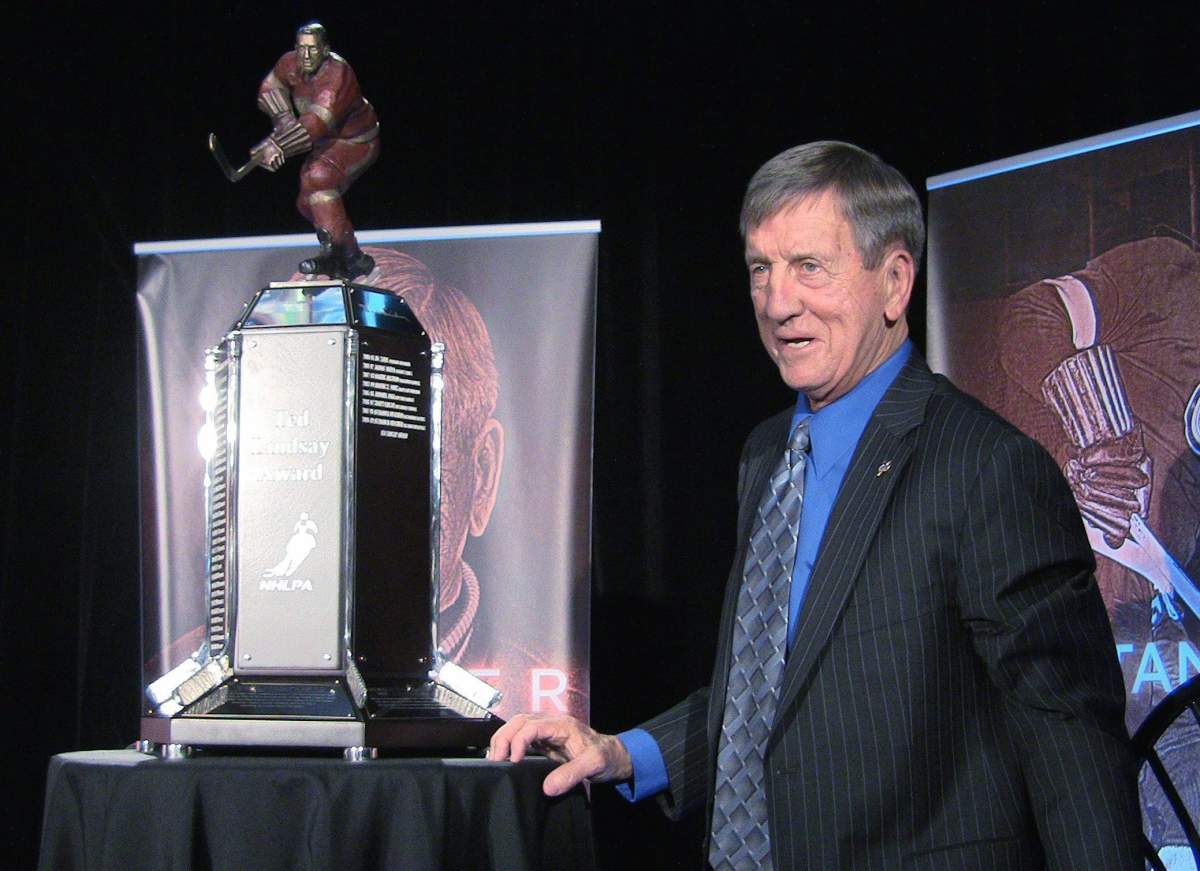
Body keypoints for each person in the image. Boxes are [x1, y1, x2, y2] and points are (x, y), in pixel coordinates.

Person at [488, 141, 1144, 868]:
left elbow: (1068, 735)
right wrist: (621, 752)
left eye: (809, 267)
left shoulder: (985, 466)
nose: (777, 303)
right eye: (760, 269)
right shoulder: (765, 453)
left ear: (894, 282)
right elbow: (770, 693)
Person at [253, 22, 379, 279]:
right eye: (301, 48)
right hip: (325, 143)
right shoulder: (289, 63)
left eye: (312, 49)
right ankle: (353, 258)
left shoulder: (338, 76)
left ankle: (337, 253)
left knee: (319, 178)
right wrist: (284, 120)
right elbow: (269, 88)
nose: (306, 56)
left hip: (355, 141)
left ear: (325, 50)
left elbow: (316, 124)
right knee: (306, 202)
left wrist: (278, 145)